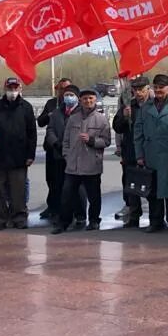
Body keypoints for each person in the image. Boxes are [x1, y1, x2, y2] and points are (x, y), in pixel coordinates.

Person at [54, 89, 111, 233]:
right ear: (80, 100)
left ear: (95, 100)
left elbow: (106, 141)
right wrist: (66, 155)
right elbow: (66, 140)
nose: (88, 101)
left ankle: (93, 221)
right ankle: (63, 223)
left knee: (94, 196)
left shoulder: (101, 119)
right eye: (85, 99)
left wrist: (92, 141)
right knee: (67, 195)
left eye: (91, 98)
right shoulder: (73, 118)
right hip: (73, 165)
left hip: (92, 164)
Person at [0, 77, 36, 230]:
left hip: (19, 156)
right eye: (10, 88)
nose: (12, 91)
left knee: (18, 190)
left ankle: (19, 217)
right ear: (5, 88)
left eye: (15, 88)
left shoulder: (26, 107)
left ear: (20, 89)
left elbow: (32, 133)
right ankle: (0, 218)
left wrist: (30, 155)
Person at [134, 74, 168, 233]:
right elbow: (138, 133)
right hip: (150, 154)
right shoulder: (145, 108)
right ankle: (156, 221)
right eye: (156, 87)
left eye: (162, 87)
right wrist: (139, 155)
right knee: (153, 191)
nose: (158, 90)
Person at [113, 77, 150, 229]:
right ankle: (134, 217)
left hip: (149, 151)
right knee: (132, 186)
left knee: (151, 187)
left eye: (142, 89)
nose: (139, 93)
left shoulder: (154, 104)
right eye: (136, 90)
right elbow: (117, 127)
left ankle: (156, 218)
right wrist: (123, 117)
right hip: (130, 151)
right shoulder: (129, 105)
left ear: (148, 89)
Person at [37, 78, 73, 220]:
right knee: (51, 179)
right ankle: (52, 205)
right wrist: (49, 115)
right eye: (61, 89)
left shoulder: (74, 104)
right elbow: (40, 122)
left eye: (67, 89)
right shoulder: (52, 103)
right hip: (52, 147)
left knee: (66, 180)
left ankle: (68, 208)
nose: (63, 92)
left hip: (69, 149)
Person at [44, 84, 81, 224]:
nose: (68, 97)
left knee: (77, 189)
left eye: (71, 95)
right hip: (58, 155)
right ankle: (61, 214)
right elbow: (50, 130)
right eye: (66, 95)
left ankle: (79, 215)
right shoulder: (56, 112)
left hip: (76, 155)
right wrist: (55, 143)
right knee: (59, 185)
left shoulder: (80, 113)